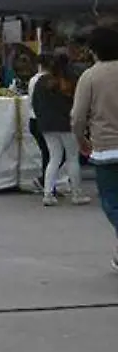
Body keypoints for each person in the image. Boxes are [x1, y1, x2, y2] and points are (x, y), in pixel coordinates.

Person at [71, 26, 118, 272]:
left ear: (93, 50)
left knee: (112, 202)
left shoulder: (90, 77)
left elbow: (78, 117)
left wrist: (81, 140)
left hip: (106, 149)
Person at [33, 55, 90, 207]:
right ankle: (77, 193)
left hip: (47, 125)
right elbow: (78, 104)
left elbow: (35, 103)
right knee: (72, 158)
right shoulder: (70, 81)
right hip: (67, 124)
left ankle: (48, 194)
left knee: (54, 158)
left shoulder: (41, 81)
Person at [27, 55, 58, 192]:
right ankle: (46, 182)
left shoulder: (34, 79)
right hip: (43, 120)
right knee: (52, 153)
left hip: (34, 119)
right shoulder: (47, 80)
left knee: (48, 153)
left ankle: (47, 183)